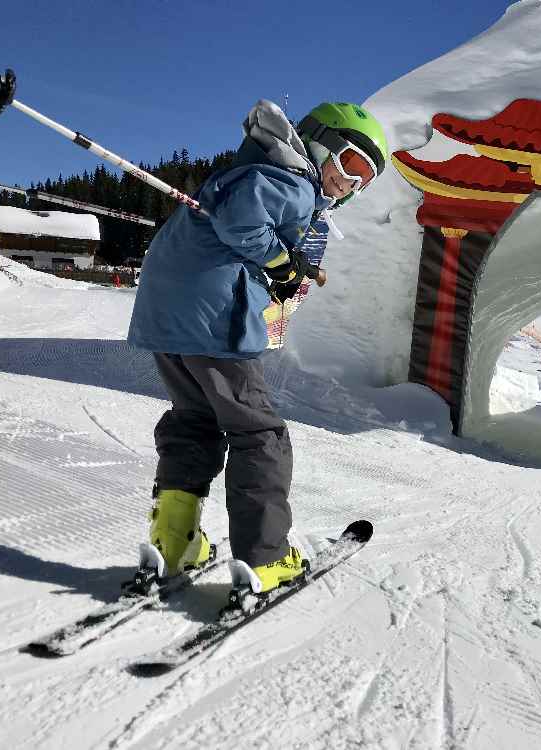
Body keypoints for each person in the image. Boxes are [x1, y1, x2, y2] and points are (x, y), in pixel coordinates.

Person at [126, 100, 388, 595]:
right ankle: (266, 560)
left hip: (169, 313)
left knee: (195, 420)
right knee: (259, 434)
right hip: (213, 317)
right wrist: (280, 262)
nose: (352, 183)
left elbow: (243, 226)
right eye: (352, 163)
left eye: (365, 179)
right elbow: (245, 225)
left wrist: (288, 267)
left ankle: (175, 541)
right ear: (321, 144)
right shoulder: (289, 177)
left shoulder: (254, 170)